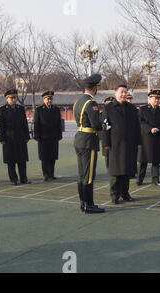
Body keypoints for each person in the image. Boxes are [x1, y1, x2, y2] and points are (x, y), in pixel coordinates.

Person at [102, 84, 142, 204]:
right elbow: (105, 127)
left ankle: (125, 193)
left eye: (125, 92)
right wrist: (106, 143)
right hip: (115, 144)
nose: (124, 94)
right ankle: (114, 194)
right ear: (115, 93)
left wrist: (138, 141)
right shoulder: (108, 108)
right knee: (116, 171)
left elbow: (137, 127)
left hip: (130, 144)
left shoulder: (132, 108)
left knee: (127, 170)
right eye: (121, 92)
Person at [73, 74, 107, 214]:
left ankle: (83, 203)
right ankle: (89, 205)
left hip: (79, 139)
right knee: (89, 175)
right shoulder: (90, 103)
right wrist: (104, 125)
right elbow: (96, 125)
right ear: (95, 88)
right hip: (88, 141)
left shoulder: (78, 101)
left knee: (82, 174)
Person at [0, 89, 31, 185]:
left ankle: (24, 179)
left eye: (15, 97)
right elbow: (0, 125)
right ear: (7, 99)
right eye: (11, 98)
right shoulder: (2, 109)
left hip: (20, 137)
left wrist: (27, 136)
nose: (14, 99)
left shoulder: (20, 108)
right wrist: (2, 138)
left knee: (22, 160)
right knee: (11, 161)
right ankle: (13, 179)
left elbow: (24, 123)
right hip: (8, 138)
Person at [138, 90, 160, 186]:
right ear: (150, 98)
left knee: (156, 160)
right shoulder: (143, 109)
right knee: (143, 160)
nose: (157, 100)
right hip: (146, 137)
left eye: (158, 98)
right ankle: (140, 179)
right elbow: (140, 122)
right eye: (155, 98)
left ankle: (155, 179)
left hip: (157, 137)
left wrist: (159, 129)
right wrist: (149, 129)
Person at [33, 91, 63, 182]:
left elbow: (58, 124)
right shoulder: (39, 109)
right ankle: (46, 174)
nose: (49, 100)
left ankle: (51, 174)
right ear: (44, 99)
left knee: (53, 156)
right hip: (43, 137)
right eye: (47, 99)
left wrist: (59, 135)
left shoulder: (56, 109)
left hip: (53, 137)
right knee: (44, 157)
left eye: (50, 99)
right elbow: (36, 124)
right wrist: (37, 136)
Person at [99, 96, 114, 170]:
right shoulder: (101, 114)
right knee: (107, 155)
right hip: (105, 136)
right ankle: (109, 168)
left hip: (114, 136)